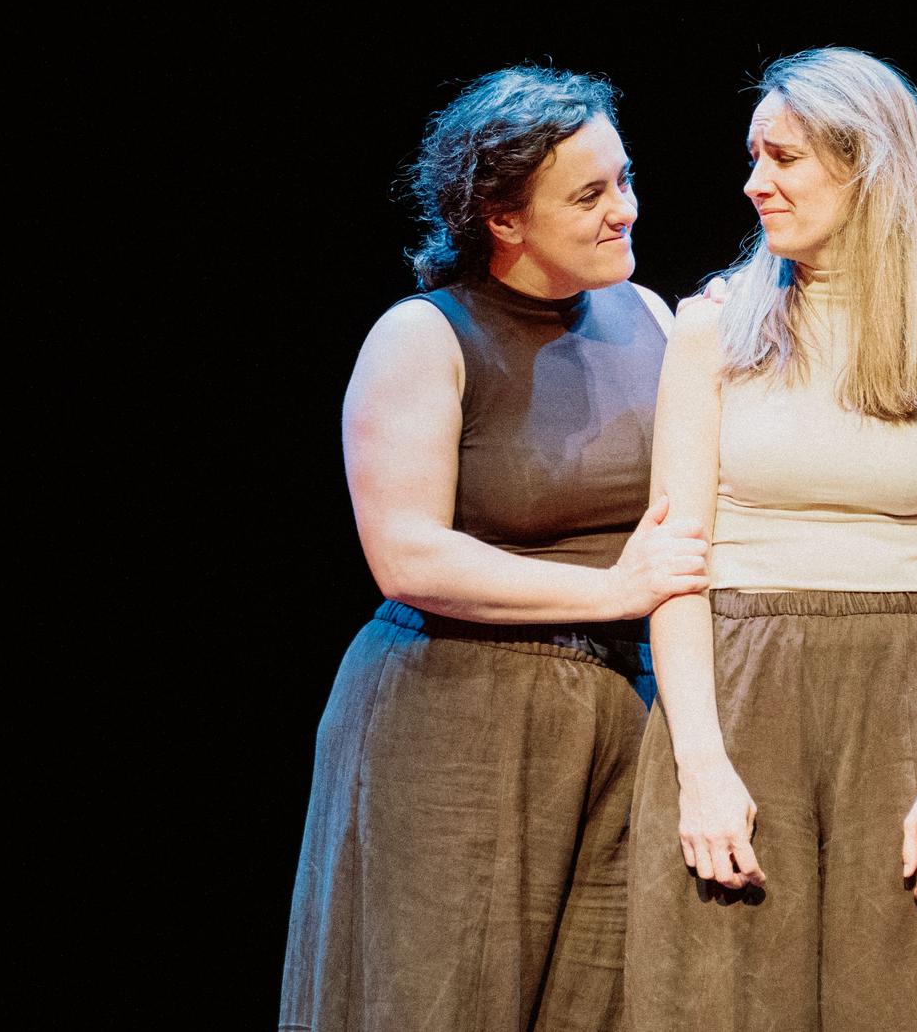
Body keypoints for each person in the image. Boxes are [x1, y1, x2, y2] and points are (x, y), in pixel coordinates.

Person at [279, 66, 710, 1032]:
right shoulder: (425, 337)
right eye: (589, 195)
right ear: (502, 217)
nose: (624, 209)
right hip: (459, 715)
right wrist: (617, 590)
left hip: (625, 714)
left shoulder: (650, 318)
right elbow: (408, 556)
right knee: (439, 1003)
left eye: (624, 179)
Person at [625, 47, 917, 1031]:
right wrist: (700, 767)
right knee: (721, 997)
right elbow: (676, 564)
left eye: (784, 157)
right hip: (739, 686)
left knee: (915, 999)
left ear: (865, 166)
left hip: (908, 701)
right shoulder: (711, 333)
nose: (754, 183)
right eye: (754, 156)